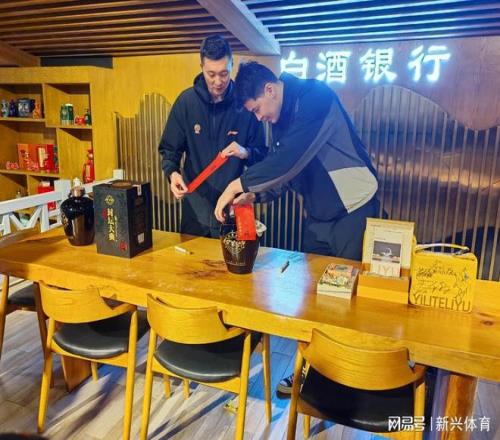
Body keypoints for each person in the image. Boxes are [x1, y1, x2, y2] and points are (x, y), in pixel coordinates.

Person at [214, 61, 380, 394]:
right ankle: (309, 371)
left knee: (347, 302)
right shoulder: (280, 118)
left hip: (354, 209)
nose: (259, 118)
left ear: (270, 90)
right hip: (317, 216)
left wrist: (236, 184)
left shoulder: (316, 98)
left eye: (257, 109)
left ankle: (349, 381)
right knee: (312, 301)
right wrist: (252, 195)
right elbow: (287, 176)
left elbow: (289, 160)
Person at [159, 35, 266, 237]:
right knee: (193, 258)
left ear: (232, 65)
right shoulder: (186, 102)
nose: (218, 81)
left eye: (224, 73)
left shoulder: (244, 104)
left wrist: (246, 152)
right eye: (211, 74)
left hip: (233, 207)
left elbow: (262, 155)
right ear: (201, 67)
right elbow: (169, 149)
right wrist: (172, 174)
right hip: (194, 210)